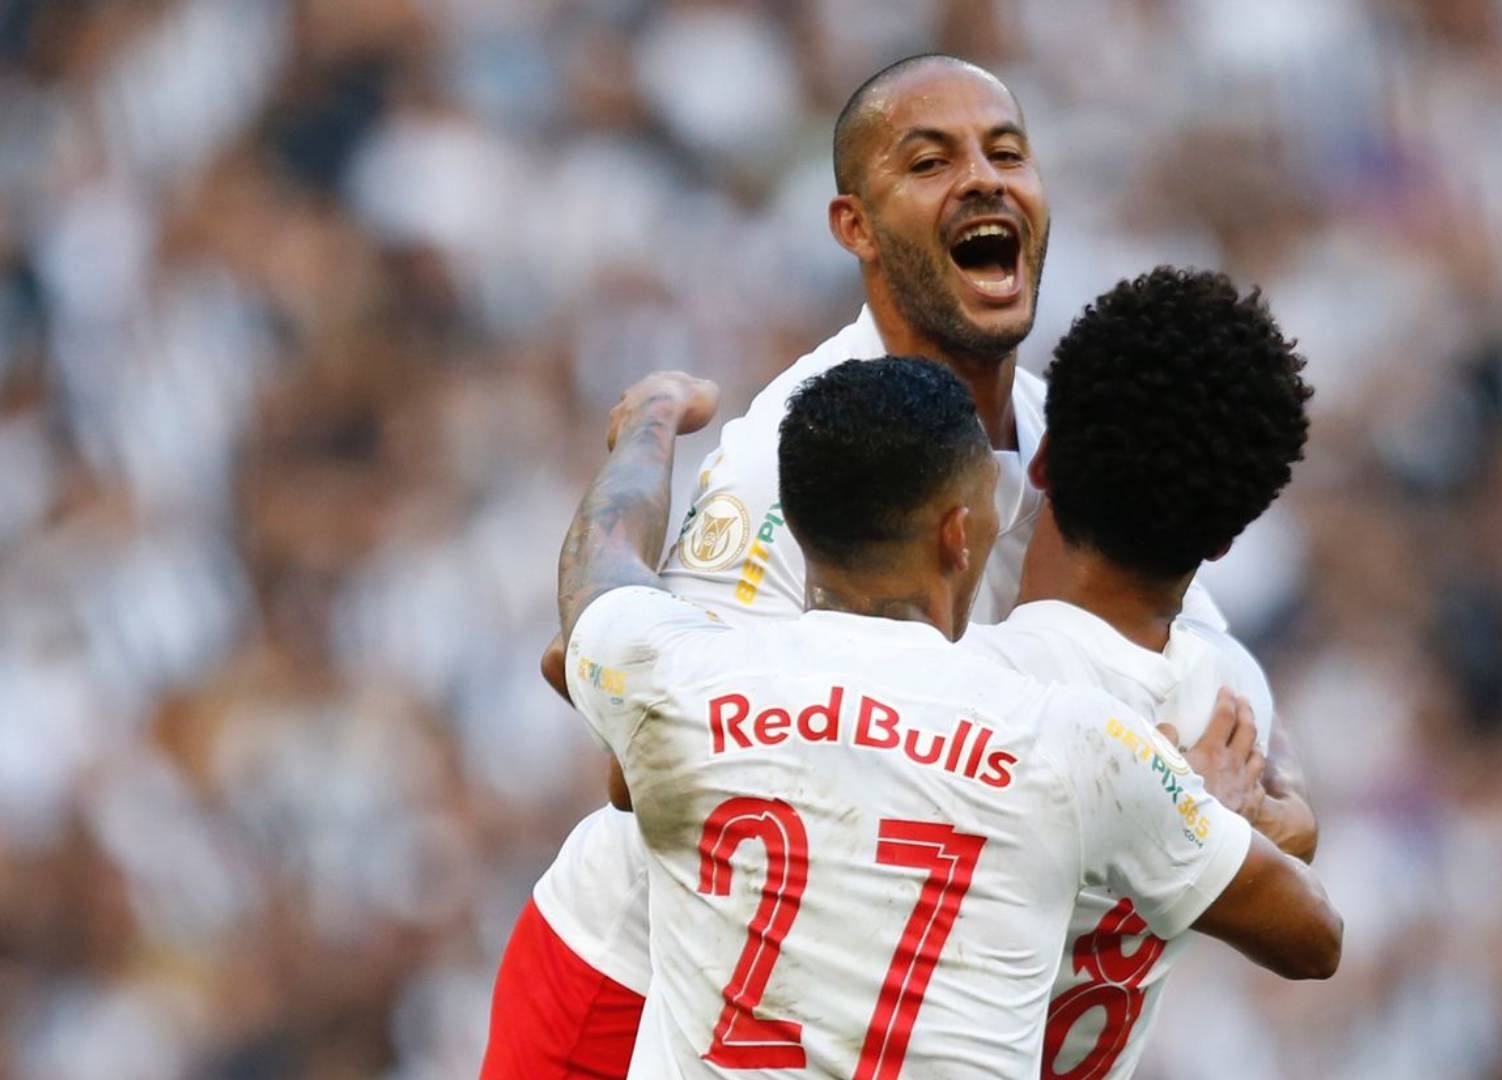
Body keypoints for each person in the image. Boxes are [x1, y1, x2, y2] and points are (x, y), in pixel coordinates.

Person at [481, 53, 1313, 1076]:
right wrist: (1170, 810)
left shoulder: (1081, 439)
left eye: (1008, 152)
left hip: (856, 1009)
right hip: (645, 986)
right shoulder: (784, 463)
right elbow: (636, 765)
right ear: (855, 228)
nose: (983, 178)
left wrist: (1263, 810)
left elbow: (1218, 694)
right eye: (930, 160)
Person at [560, 356, 1340, 1078]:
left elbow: (602, 571)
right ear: (959, 535)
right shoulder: (1076, 741)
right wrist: (1204, 805)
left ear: (794, 528)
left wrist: (654, 419)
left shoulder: (688, 682)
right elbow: (1313, 938)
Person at [961, 266, 1316, 1077]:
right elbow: (1299, 851)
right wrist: (1217, 815)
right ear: (1226, 540)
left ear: (1040, 459)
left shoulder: (964, 687)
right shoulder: (1237, 702)